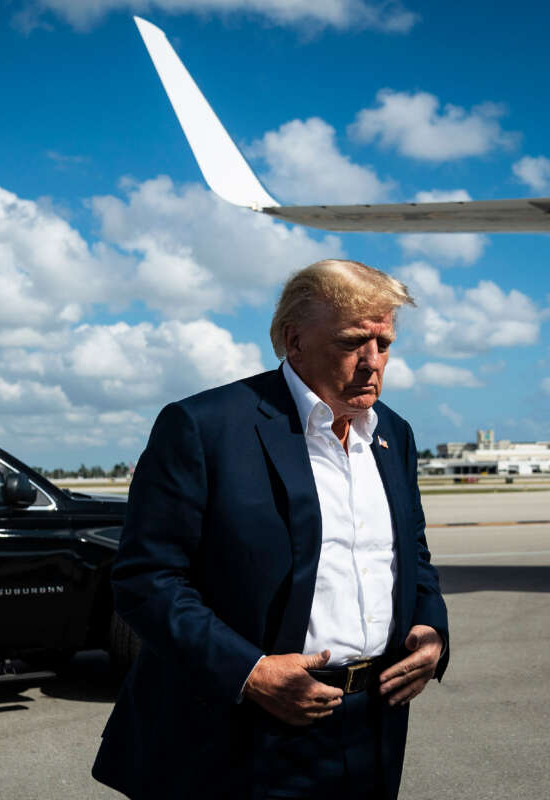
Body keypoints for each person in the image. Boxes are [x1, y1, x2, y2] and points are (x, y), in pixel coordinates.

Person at [92, 259, 450, 799]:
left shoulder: (392, 434)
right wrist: (251, 672)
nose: (372, 363)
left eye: (385, 344)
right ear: (294, 340)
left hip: (371, 723)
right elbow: (147, 580)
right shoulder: (204, 426)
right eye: (353, 342)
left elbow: (411, 555)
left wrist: (431, 628)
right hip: (240, 730)